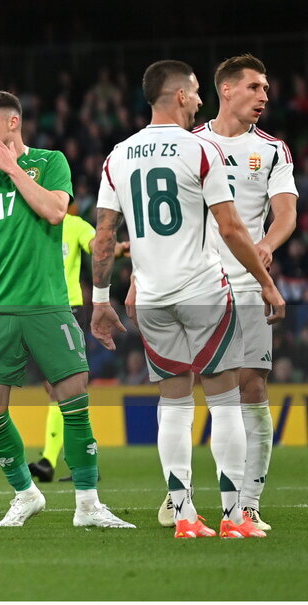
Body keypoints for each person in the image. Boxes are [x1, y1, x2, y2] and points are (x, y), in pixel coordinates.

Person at [90, 59, 284, 539]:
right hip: (202, 291)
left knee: (173, 405)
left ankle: (183, 516)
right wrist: (265, 280)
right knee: (224, 400)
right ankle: (236, 516)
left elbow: (103, 236)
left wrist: (100, 298)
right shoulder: (199, 150)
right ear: (179, 95)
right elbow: (232, 227)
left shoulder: (118, 156)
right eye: (195, 92)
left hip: (152, 297)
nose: (199, 100)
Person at [0, 91, 132, 529]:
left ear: (12, 123)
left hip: (48, 305)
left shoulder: (50, 162)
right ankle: (26, 494)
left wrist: (11, 167)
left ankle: (88, 505)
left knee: (74, 400)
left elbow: (54, 211)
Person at [152, 54, 299, 532]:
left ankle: (247, 502)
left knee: (251, 387)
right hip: (194, 282)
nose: (265, 96)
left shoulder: (273, 149)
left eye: (267, 88)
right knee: (184, 390)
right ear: (227, 89)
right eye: (256, 87)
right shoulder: (188, 143)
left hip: (245, 283)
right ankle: (182, 498)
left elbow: (286, 214)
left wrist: (265, 246)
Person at [29, 206, 128, 482]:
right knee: (58, 389)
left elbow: (96, 244)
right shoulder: (31, 223)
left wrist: (117, 249)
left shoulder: (74, 225)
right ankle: (79, 459)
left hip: (66, 308)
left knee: (64, 386)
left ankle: (51, 460)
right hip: (36, 311)